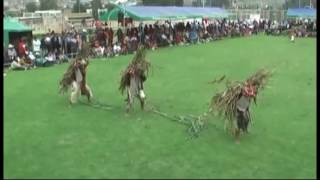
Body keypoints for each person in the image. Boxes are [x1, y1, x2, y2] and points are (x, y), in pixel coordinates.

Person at [119, 45, 150, 113]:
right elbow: (129, 71)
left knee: (141, 96)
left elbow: (142, 73)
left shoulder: (142, 64)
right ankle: (128, 110)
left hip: (139, 83)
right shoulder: (133, 64)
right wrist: (131, 71)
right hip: (132, 83)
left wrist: (138, 70)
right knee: (131, 97)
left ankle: (142, 107)